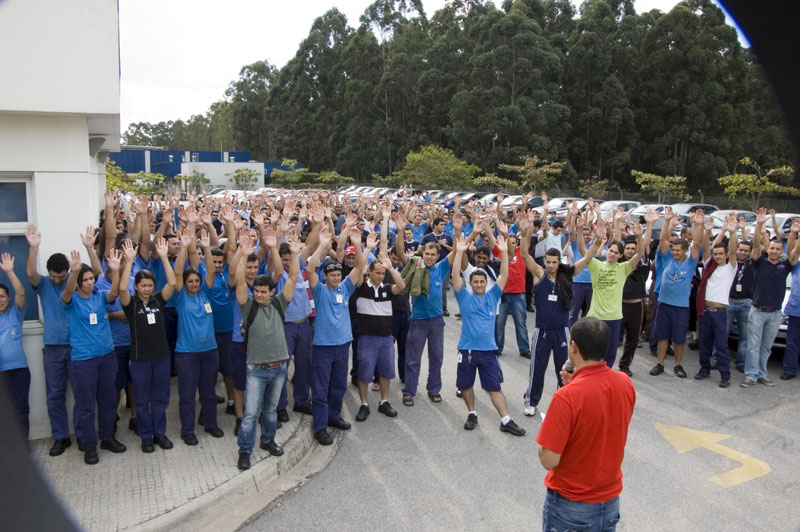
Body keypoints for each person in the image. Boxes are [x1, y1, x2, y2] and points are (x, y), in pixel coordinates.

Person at [537, 317, 636, 531]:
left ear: (573, 347)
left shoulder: (566, 397)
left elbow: (549, 459)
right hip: (609, 502)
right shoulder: (625, 383)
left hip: (570, 505)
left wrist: (572, 388)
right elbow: (600, 405)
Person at [518, 212, 601, 417]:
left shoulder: (567, 275)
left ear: (559, 261)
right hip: (542, 331)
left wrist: (597, 240)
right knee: (537, 369)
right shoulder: (539, 274)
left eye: (554, 262)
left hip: (563, 331)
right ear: (545, 261)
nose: (551, 265)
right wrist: (523, 233)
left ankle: (560, 404)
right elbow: (525, 255)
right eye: (548, 261)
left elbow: (588, 257)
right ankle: (531, 401)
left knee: (563, 371)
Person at [236, 234, 300, 471]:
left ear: (272, 291)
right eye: (257, 291)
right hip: (256, 369)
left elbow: (293, 277)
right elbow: (241, 282)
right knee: (251, 414)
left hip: (279, 368)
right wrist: (243, 255)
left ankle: (268, 441)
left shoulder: (279, 303)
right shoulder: (248, 306)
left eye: (264, 291)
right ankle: (244, 450)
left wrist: (294, 254)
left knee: (271, 410)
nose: (260, 295)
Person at [451, 234, 526, 435]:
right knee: (465, 385)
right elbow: (456, 276)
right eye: (474, 282)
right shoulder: (464, 297)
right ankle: (472, 413)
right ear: (471, 283)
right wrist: (459, 253)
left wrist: (503, 251)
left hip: (488, 352)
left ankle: (505, 420)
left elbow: (504, 276)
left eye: (481, 282)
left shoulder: (493, 296)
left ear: (486, 283)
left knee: (494, 387)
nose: (478, 284)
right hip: (467, 350)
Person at [61, 248, 126, 465]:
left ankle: (108, 437)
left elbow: (114, 293)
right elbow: (67, 292)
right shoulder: (72, 302)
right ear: (79, 282)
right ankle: (89, 444)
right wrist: (74, 272)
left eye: (91, 279)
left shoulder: (99, 297)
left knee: (108, 401)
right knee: (86, 405)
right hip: (83, 360)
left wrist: (115, 271)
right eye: (85, 280)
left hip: (107, 356)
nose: (90, 283)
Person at [25, 225, 82, 456]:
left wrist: (74, 273)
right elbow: (30, 274)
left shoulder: (74, 281)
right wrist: (33, 249)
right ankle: (60, 437)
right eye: (54, 276)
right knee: (54, 394)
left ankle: (82, 434)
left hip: (78, 346)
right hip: (53, 348)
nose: (57, 280)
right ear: (48, 273)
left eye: (61, 276)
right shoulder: (44, 284)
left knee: (81, 393)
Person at [306, 226, 365, 446]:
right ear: (326, 276)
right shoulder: (320, 290)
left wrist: (357, 244)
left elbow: (359, 267)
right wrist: (322, 244)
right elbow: (310, 269)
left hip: (342, 346)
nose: (336, 277)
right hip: (323, 346)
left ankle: (333, 416)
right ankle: (320, 426)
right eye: (332, 274)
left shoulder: (345, 289)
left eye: (338, 274)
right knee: (320, 389)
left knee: (338, 385)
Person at [395, 214, 460, 406]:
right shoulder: (415, 266)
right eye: (427, 254)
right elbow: (400, 253)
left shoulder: (441, 268)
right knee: (413, 358)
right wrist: (400, 231)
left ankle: (434, 389)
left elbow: (456, 252)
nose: (430, 257)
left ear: (437, 256)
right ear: (422, 254)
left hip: (437, 321)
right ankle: (409, 391)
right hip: (418, 320)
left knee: (436, 357)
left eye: (433, 255)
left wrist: (456, 230)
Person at [119, 238, 176, 452]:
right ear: (137, 286)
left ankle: (159, 434)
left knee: (160, 398)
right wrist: (129, 262)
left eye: (150, 286)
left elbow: (171, 283)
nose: (146, 289)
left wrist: (163, 257)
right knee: (142, 401)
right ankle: (145, 435)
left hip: (161, 357)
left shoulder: (158, 301)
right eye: (143, 285)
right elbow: (122, 288)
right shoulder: (131, 305)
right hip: (140, 359)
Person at [172, 227, 223, 444]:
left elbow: (210, 272)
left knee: (209, 392)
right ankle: (187, 430)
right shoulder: (180, 297)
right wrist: (184, 247)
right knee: (187, 396)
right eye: (190, 281)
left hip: (209, 351)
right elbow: (176, 274)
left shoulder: (205, 293)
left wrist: (205, 248)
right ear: (185, 284)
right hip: (186, 355)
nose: (194, 284)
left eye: (196, 281)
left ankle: (211, 424)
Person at [576, 212, 646, 368]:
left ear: (621, 255)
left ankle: (604, 379)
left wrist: (639, 236)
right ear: (607, 250)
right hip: (595, 317)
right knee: (590, 352)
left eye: (616, 252)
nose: (612, 254)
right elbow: (582, 249)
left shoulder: (624, 268)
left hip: (614, 318)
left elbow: (640, 253)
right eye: (611, 251)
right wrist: (580, 229)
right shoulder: (596, 265)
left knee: (609, 354)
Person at [742, 209, 800, 387]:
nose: (774, 251)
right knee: (753, 345)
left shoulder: (785, 265)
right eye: (772, 248)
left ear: (781, 251)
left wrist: (795, 233)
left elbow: (795, 251)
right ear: (768, 249)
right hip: (758, 311)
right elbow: (757, 245)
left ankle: (761, 373)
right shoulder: (760, 263)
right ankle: (750, 375)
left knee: (766, 347)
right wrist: (759, 223)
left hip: (775, 314)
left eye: (777, 249)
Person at [650, 209, 703, 378]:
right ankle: (660, 363)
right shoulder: (667, 259)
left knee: (679, 338)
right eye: (674, 250)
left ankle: (678, 365)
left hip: (680, 307)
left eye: (678, 250)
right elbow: (664, 240)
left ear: (685, 250)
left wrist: (698, 225)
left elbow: (697, 244)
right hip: (664, 304)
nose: (675, 252)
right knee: (662, 336)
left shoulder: (690, 263)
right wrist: (666, 222)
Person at [353, 252, 406, 422]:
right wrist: (366, 250)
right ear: (370, 271)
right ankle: (364, 404)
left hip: (385, 338)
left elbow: (402, 286)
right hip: (367, 338)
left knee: (386, 372)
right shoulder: (361, 287)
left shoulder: (386, 288)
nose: (380, 276)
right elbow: (358, 273)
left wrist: (390, 267)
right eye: (378, 272)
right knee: (364, 373)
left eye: (383, 273)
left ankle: (384, 401)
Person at [695, 215, 738, 388]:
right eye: (716, 253)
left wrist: (732, 232)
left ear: (726, 255)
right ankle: (704, 369)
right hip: (705, 311)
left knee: (721, 346)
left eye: (721, 254)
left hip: (720, 314)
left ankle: (725, 375)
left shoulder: (730, 268)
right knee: (704, 344)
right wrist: (713, 230)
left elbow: (734, 250)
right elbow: (706, 247)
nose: (718, 256)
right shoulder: (708, 266)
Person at [0, 253, 31, 439]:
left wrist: (10, 272)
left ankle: (22, 444)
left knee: (20, 410)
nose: (0, 299)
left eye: (3, 296)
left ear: (7, 297)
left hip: (19, 370)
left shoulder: (15, 314)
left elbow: (21, 293)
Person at [727, 228, 754, 374]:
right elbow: (730, 250)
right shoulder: (730, 262)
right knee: (723, 332)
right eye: (740, 250)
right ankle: (718, 359)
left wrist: (746, 232)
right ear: (736, 250)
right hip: (730, 301)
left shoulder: (754, 264)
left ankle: (741, 362)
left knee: (744, 336)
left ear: (749, 252)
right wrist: (732, 232)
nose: (743, 253)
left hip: (746, 303)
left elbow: (759, 248)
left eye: (746, 251)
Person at [420, 217, 454, 316]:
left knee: (443, 288)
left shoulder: (447, 237)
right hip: (430, 267)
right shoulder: (428, 237)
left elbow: (453, 250)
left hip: (443, 267)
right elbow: (420, 249)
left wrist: (444, 245)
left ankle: (443, 307)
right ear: (435, 226)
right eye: (441, 225)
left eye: (444, 225)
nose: (443, 226)